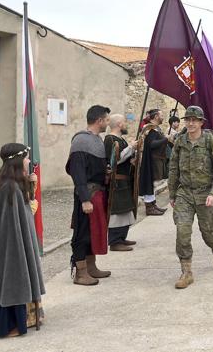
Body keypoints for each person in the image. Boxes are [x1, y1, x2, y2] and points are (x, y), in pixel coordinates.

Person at [0, 143, 45, 337]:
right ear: (17, 160)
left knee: (8, 277)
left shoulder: (7, 182)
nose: (28, 161)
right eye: (26, 158)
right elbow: (10, 222)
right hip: (10, 245)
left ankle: (17, 319)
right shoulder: (10, 188)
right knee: (10, 278)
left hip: (11, 242)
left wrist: (29, 184)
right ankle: (7, 325)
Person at [169, 106, 213, 289]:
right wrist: (172, 193)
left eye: (195, 120)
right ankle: (186, 271)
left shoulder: (211, 141)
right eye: (188, 120)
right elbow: (173, 168)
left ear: (202, 122)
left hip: (205, 193)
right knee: (182, 231)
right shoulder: (180, 141)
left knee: (208, 231)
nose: (191, 123)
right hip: (184, 193)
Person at [66, 105, 112, 286]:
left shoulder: (96, 140)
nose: (108, 123)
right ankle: (81, 273)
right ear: (99, 121)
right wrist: (85, 199)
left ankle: (91, 267)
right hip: (86, 195)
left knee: (93, 233)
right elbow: (78, 173)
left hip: (97, 193)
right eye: (107, 120)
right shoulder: (80, 142)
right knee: (82, 233)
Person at [104, 114, 137, 252]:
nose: (126, 124)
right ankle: (115, 241)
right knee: (117, 212)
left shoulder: (120, 139)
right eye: (124, 122)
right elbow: (114, 160)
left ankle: (122, 238)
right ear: (118, 124)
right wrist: (131, 148)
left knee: (125, 210)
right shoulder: (110, 139)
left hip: (124, 180)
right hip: (116, 183)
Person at [138, 109, 168, 216]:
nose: (163, 117)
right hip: (150, 160)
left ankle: (153, 205)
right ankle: (149, 208)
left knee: (151, 184)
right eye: (162, 115)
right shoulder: (150, 129)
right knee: (149, 183)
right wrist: (165, 139)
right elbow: (151, 144)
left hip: (154, 159)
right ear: (156, 117)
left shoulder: (154, 128)